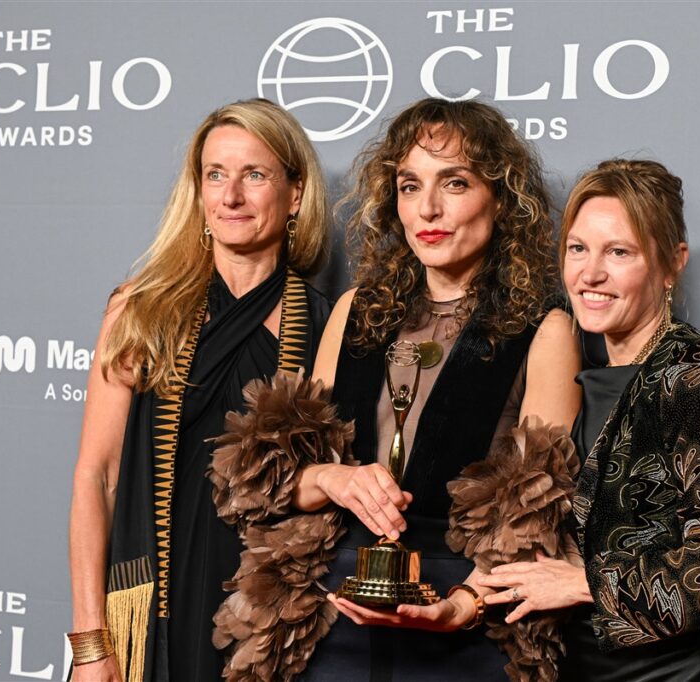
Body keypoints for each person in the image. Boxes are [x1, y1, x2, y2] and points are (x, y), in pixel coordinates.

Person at [210, 98, 581, 680]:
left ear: (501, 197)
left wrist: (464, 605)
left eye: (454, 183)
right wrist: (331, 478)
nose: (428, 208)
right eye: (410, 186)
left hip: (461, 623)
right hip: (332, 616)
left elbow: (540, 521)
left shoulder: (546, 329)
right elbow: (267, 483)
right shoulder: (354, 312)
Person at [478, 159, 700, 680]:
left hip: (679, 670)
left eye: (619, 252)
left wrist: (583, 584)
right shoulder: (580, 376)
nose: (590, 274)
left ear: (671, 264)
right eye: (578, 248)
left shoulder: (697, 369)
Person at [68, 99, 332, 682]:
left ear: (295, 194)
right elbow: (97, 476)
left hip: (266, 622)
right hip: (148, 609)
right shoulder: (141, 310)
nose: (231, 196)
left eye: (254, 175)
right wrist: (90, 644)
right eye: (216, 174)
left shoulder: (326, 325)